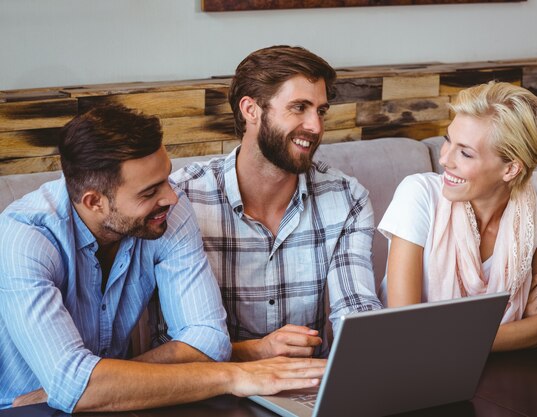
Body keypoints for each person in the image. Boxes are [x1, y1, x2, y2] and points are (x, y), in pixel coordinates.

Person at [0, 105, 325, 413]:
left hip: (117, 406)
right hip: (20, 408)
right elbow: (74, 385)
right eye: (149, 191)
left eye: (166, 178)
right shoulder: (25, 238)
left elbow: (209, 340)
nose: (171, 196)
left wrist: (93, 384)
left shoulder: (168, 211)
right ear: (94, 201)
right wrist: (233, 376)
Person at [169, 45, 382, 360]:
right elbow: (171, 340)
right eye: (299, 107)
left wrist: (371, 349)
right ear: (251, 110)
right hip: (210, 388)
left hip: (306, 386)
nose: (316, 126)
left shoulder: (347, 198)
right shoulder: (183, 198)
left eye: (320, 110)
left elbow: (355, 309)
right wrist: (255, 351)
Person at [379, 81, 537, 351]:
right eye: (448, 140)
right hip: (415, 377)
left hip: (503, 370)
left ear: (511, 169)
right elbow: (406, 334)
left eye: (465, 153)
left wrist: (454, 340)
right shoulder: (418, 195)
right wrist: (523, 323)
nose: (445, 159)